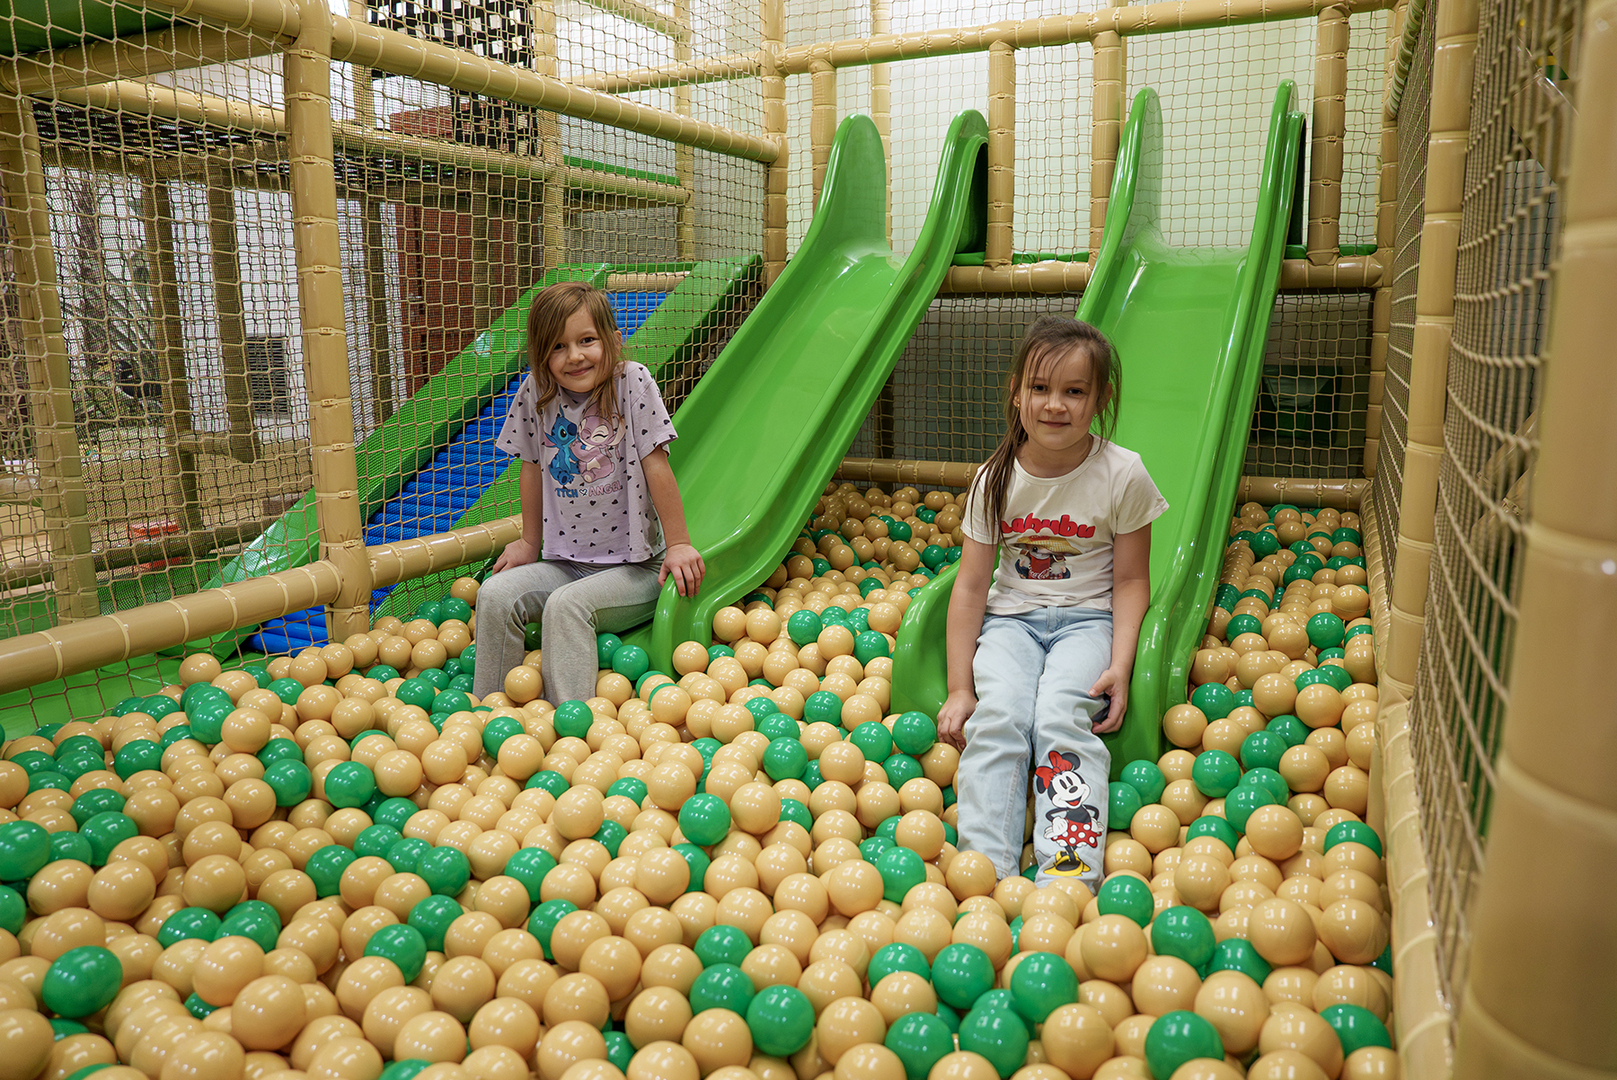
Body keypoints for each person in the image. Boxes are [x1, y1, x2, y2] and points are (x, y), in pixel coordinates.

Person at [937, 315, 1166, 892]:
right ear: (1017, 393)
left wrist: (1120, 664)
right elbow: (971, 586)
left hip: (1088, 621)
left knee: (1061, 715)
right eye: (1040, 388)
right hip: (1011, 622)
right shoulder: (994, 478)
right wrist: (960, 688)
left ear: (1100, 399)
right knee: (1001, 716)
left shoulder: (1123, 474)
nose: (1055, 405)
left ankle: (1068, 875)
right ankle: (984, 871)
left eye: (1074, 391)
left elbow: (1130, 581)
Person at [473, 281, 705, 704]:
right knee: (495, 594)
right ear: (541, 356)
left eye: (586, 341)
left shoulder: (631, 382)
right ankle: (489, 712)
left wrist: (678, 544)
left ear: (613, 342)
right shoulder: (536, 393)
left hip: (638, 568)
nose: (575, 356)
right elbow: (531, 467)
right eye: (558, 347)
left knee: (567, 606)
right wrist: (529, 542)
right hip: (566, 563)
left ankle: (571, 727)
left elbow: (657, 465)